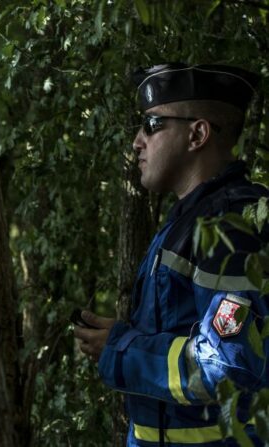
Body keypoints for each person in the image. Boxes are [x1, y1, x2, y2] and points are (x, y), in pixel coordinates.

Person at [73, 63, 268, 446]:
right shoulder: (189, 220)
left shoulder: (231, 226)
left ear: (197, 134)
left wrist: (120, 346)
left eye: (151, 125)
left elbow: (229, 364)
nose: (136, 141)